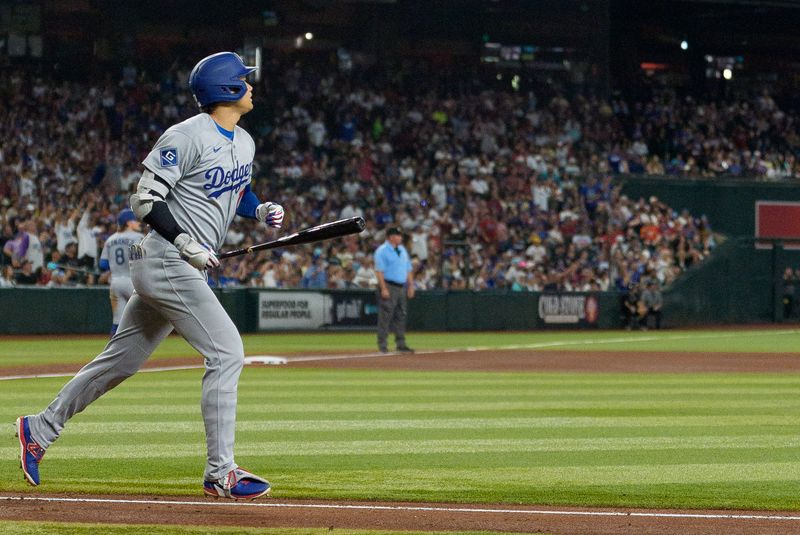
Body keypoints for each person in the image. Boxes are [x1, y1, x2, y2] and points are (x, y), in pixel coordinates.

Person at [16, 52, 284, 501]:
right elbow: (145, 199)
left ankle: (39, 428)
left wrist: (258, 208)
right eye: (244, 79)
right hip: (166, 258)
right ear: (228, 89)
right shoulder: (185, 135)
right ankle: (221, 473)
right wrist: (183, 241)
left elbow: (235, 190)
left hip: (175, 263)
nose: (251, 85)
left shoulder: (246, 141)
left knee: (120, 362)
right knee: (227, 352)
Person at [98, 209, 145, 335]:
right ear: (128, 223)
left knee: (117, 322)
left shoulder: (110, 239)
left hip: (115, 283)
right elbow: (141, 260)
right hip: (133, 283)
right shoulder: (138, 237)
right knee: (143, 319)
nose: (139, 223)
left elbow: (103, 264)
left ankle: (112, 352)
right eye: (135, 221)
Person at [374, 226, 415, 353]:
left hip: (401, 286)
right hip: (389, 285)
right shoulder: (382, 250)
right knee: (385, 316)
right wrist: (383, 288)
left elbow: (408, 269)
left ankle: (401, 344)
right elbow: (379, 271)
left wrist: (411, 285)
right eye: (398, 235)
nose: (400, 237)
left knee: (401, 316)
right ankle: (383, 345)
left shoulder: (402, 249)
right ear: (391, 237)